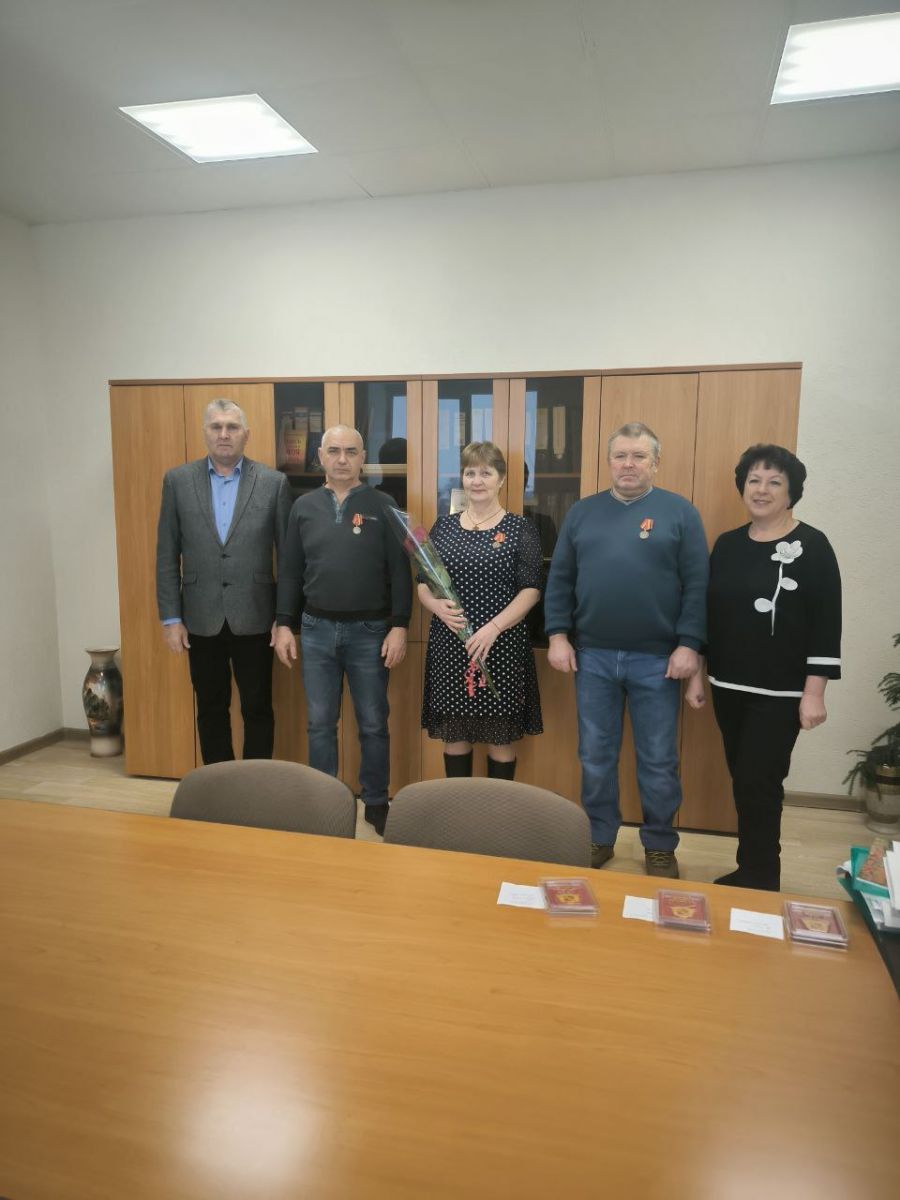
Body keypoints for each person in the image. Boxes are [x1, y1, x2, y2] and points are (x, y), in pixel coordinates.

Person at [544, 422, 708, 878]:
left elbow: (697, 585)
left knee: (658, 759)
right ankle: (599, 836)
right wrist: (557, 634)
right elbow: (560, 579)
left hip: (658, 661)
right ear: (609, 461)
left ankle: (659, 844)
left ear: (656, 462)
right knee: (595, 756)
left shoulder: (680, 513)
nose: (628, 464)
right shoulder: (582, 513)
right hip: (592, 657)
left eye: (639, 456)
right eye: (620, 456)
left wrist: (689, 645)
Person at [686, 445, 841, 891]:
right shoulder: (728, 544)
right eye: (754, 480)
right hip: (727, 685)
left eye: (775, 482)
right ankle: (751, 867)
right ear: (742, 487)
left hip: (781, 693)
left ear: (792, 492)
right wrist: (697, 673)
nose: (762, 489)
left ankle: (762, 875)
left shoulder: (812, 546)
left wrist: (815, 693)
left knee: (760, 781)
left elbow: (827, 624)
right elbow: (708, 613)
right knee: (745, 780)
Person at [273, 425, 412, 836]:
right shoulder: (303, 507)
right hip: (315, 629)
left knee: (373, 722)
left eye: (351, 451)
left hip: (371, 631)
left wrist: (399, 626)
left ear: (362, 458)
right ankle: (325, 803)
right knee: (319, 723)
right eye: (333, 451)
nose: (341, 459)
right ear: (320, 456)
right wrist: (284, 624)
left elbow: (400, 572)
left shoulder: (383, 505)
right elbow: (290, 572)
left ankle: (376, 801)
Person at [156, 399, 292, 763]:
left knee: (257, 708)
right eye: (216, 426)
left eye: (232, 427)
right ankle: (218, 785)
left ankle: (255, 787)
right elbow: (166, 554)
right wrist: (171, 618)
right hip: (200, 618)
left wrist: (284, 618)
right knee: (210, 708)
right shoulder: (178, 481)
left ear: (246, 434)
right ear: (205, 433)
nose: (224, 434)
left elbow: (289, 559)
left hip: (256, 617)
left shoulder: (274, 483)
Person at [420, 442, 543, 778]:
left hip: (500, 646)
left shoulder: (520, 528)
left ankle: (497, 810)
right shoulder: (443, 527)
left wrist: (493, 628)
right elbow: (423, 582)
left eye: (485, 473)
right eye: (470, 472)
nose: (477, 480)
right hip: (451, 645)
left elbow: (531, 590)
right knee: (455, 736)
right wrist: (436, 606)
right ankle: (459, 809)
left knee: (499, 737)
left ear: (501, 479)